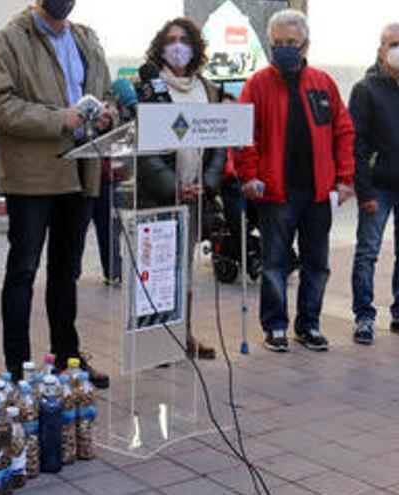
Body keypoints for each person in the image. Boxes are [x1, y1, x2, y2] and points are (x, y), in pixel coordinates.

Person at [0, 0, 113, 388]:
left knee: (66, 273)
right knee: (23, 271)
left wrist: (107, 113)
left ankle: (67, 360)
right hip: (32, 178)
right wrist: (61, 119)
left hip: (80, 172)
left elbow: (106, 94)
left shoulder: (86, 38)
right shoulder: (10, 39)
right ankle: (18, 369)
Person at [236, 9, 355, 352]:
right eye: (278, 43)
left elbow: (343, 132)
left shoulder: (323, 83)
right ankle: (275, 327)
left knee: (317, 264)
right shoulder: (256, 84)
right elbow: (246, 136)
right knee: (276, 264)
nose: (284, 48)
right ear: (270, 43)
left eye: (291, 42)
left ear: (305, 45)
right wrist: (249, 176)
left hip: (318, 192)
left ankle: (309, 325)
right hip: (276, 193)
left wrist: (345, 179)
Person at [137, 17, 226, 360]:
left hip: (196, 196)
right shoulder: (151, 87)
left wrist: (206, 184)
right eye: (171, 40)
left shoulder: (209, 89)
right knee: (157, 269)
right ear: (160, 47)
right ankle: (154, 340)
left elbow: (219, 143)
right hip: (160, 196)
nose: (178, 46)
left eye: (184, 39)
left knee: (184, 270)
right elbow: (144, 151)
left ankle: (182, 334)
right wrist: (174, 187)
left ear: (195, 47)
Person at [349, 23, 399, 345]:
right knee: (367, 252)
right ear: (381, 49)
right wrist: (364, 189)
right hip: (379, 188)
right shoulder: (365, 89)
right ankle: (364, 317)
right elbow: (356, 143)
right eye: (394, 43)